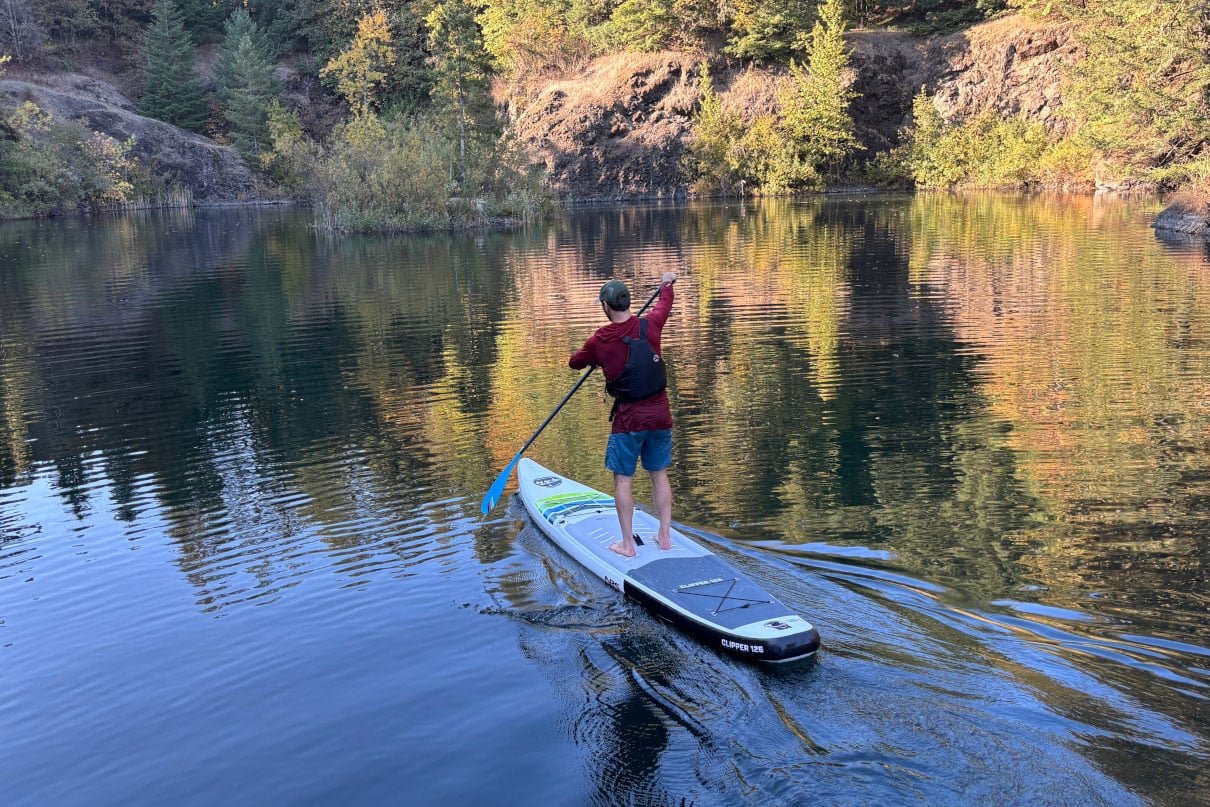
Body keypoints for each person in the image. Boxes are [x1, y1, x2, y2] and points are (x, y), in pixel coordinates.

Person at [570, 272, 678, 557]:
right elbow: (665, 302)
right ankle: (664, 537)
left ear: (606, 307)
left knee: (622, 482)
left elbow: (574, 362)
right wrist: (666, 282)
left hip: (629, 421)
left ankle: (628, 545)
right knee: (659, 475)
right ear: (628, 303)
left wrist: (594, 358)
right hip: (660, 416)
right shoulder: (651, 325)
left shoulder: (600, 340)